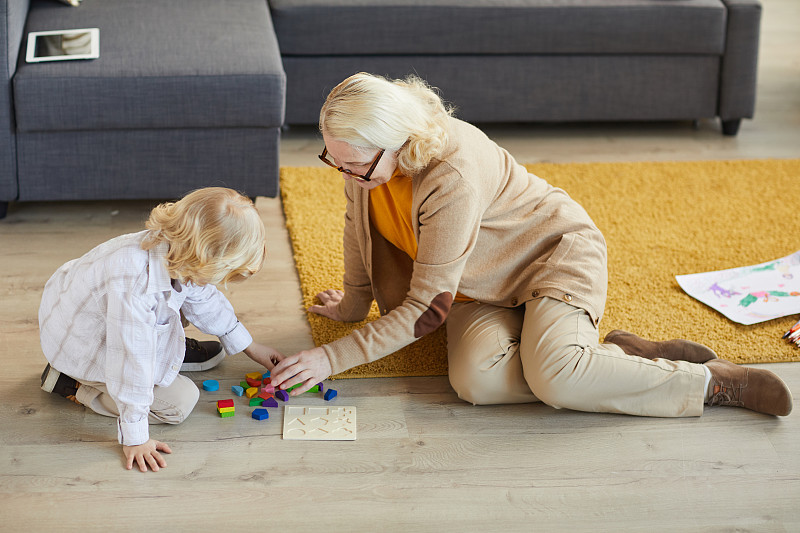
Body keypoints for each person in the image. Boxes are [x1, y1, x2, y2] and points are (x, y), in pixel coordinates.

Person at [270, 72, 793, 420]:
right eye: (332, 159)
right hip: (480, 286)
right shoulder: (362, 161)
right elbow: (356, 227)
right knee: (478, 381)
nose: (343, 173)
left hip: (549, 259)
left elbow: (427, 310)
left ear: (399, 139)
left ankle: (710, 384)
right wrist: (353, 305)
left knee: (557, 379)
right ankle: (614, 358)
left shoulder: (448, 172)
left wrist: (330, 359)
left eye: (353, 164)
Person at [39, 187, 282, 472]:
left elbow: (204, 298)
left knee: (184, 303)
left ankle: (168, 350)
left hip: (75, 312)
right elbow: (131, 364)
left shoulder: (173, 246)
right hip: (82, 346)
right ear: (205, 260)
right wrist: (135, 438)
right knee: (179, 403)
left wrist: (249, 346)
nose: (212, 284)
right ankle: (71, 385)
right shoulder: (136, 289)